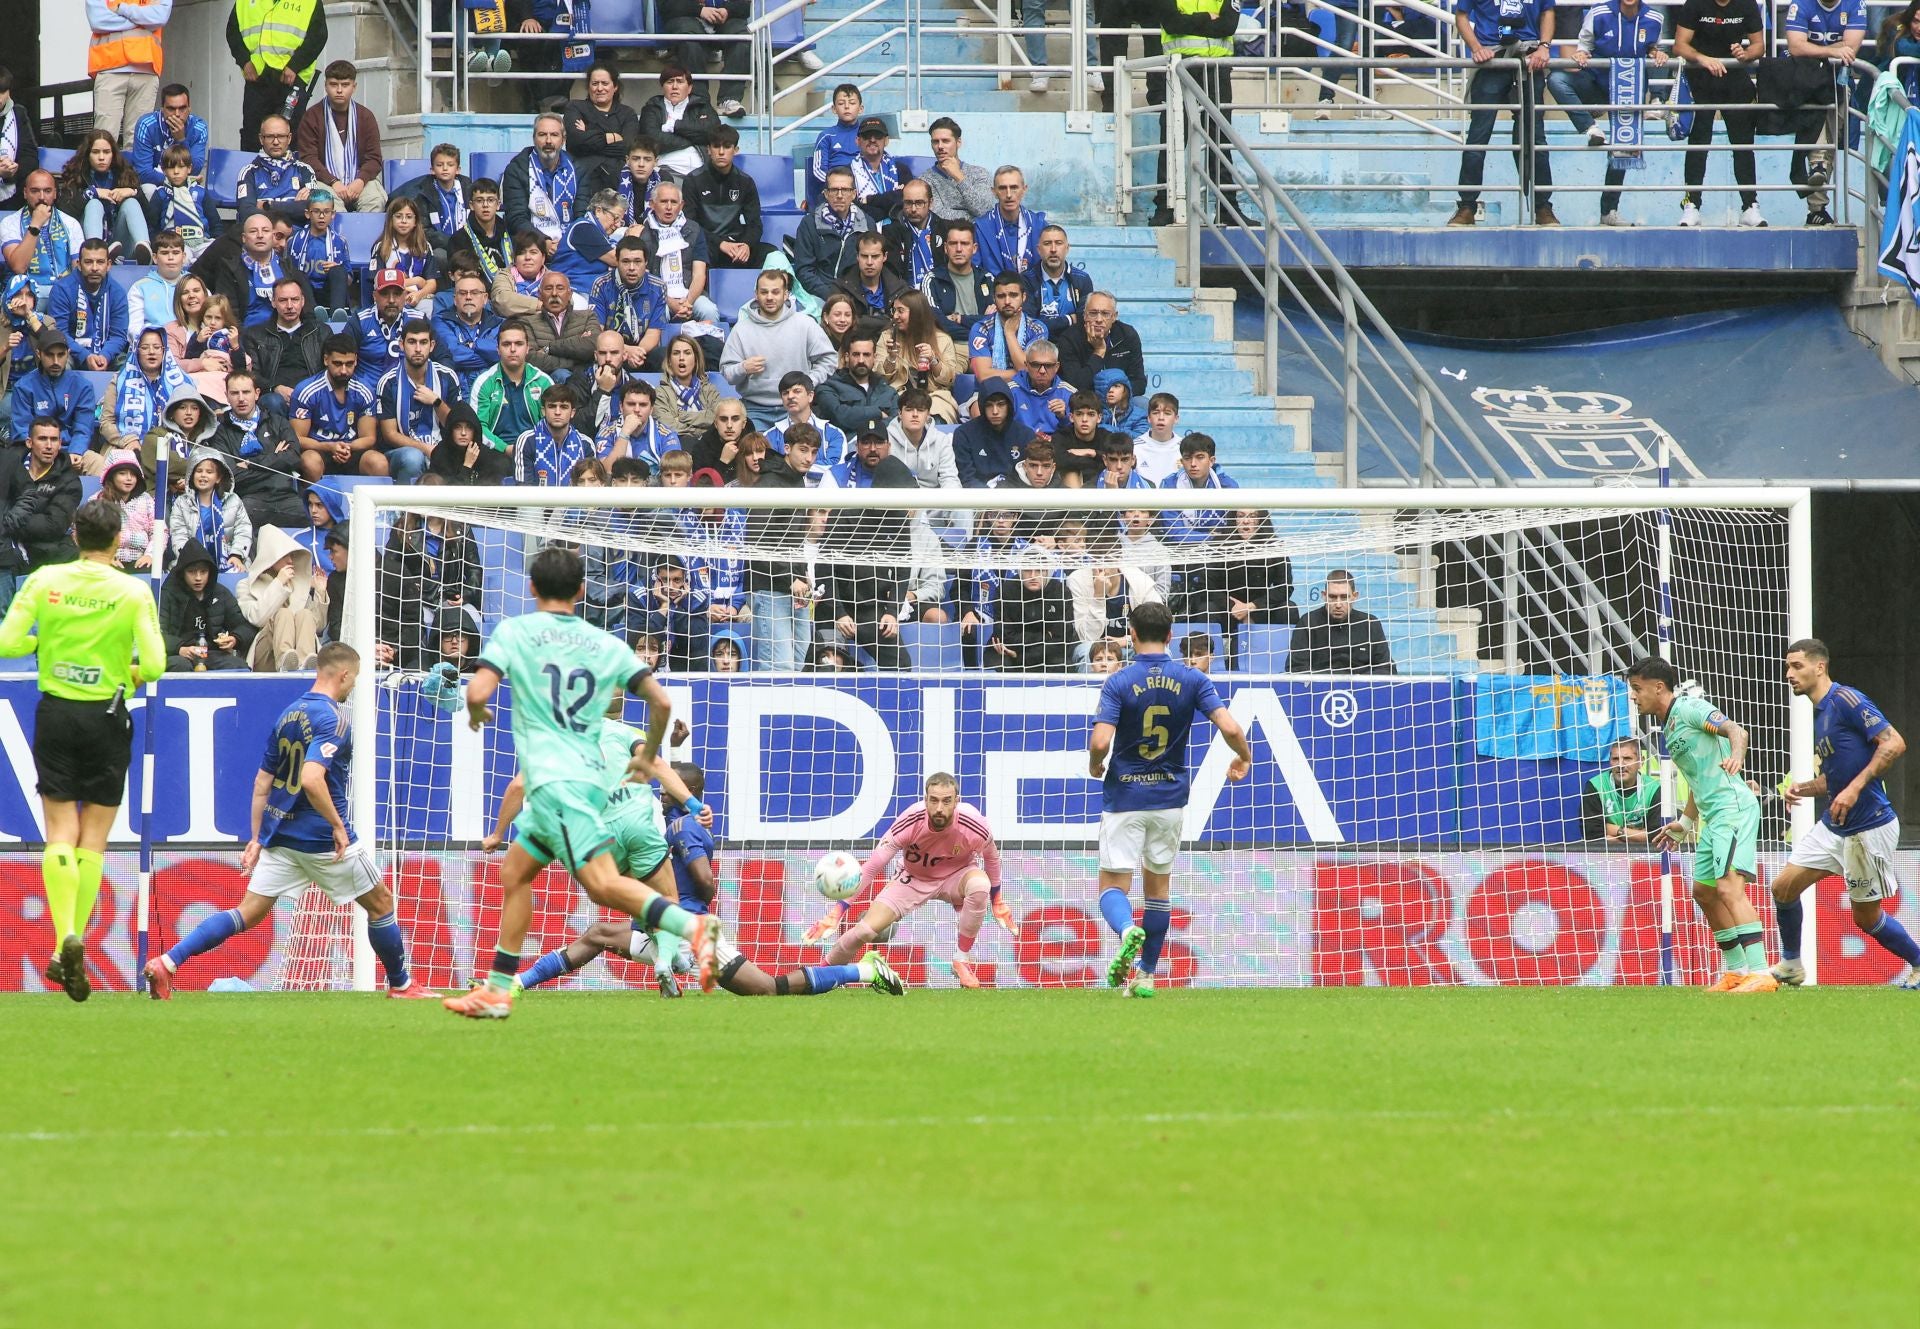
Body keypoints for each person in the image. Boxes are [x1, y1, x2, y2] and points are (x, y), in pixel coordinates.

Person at [444, 546, 723, 1019]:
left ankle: (696, 931)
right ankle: (496, 991)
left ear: (531, 589)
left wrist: (475, 709)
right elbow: (659, 703)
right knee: (516, 873)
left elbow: (477, 690)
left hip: (560, 782)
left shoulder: (514, 631)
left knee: (602, 885)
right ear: (582, 590)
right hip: (583, 780)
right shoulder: (606, 644)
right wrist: (650, 754)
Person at [144, 642, 438, 997]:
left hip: (281, 837)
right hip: (321, 840)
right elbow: (313, 778)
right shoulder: (334, 718)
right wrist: (337, 825)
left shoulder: (287, 714)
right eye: (355, 678)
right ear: (344, 674)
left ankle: (168, 962)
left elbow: (261, 783)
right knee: (381, 903)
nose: (354, 686)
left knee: (247, 913)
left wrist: (256, 839)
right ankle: (402, 985)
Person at [0, 497, 164, 999]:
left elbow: (7, 642)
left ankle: (62, 937)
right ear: (118, 540)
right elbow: (155, 666)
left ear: (75, 536)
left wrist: (40, 644)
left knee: (59, 833)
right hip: (107, 716)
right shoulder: (132, 591)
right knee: (93, 840)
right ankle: (67, 946)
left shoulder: (46, 581)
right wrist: (128, 671)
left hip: (56, 713)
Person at [1090, 601, 1253, 998]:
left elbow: (1100, 741)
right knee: (1158, 890)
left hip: (1126, 795)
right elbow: (1229, 726)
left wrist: (1096, 764)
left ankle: (1129, 930)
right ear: (1170, 636)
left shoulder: (1119, 681)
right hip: (1170, 799)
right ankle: (1146, 975)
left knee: (1113, 886)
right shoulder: (1194, 679)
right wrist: (1244, 756)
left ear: (1130, 634)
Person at [1767, 640, 1920, 989]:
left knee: (1865, 919)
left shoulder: (1847, 700)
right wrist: (1802, 788)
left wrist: (1854, 789)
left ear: (1819, 667)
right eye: (1788, 667)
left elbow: (1894, 743)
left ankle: (1919, 962)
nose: (1789, 674)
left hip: (1869, 827)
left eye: (1797, 666)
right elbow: (1836, 777)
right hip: (1835, 826)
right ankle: (1792, 964)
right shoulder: (1821, 714)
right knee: (1783, 888)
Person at [1626, 656, 1776, 992]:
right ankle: (1736, 972)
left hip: (1733, 810)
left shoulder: (1690, 708)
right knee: (1704, 893)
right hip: (1712, 818)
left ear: (1658, 687)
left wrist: (1737, 755)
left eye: (1637, 689)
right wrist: (1685, 822)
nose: (1634, 696)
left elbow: (1736, 730)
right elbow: (1696, 778)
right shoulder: (1669, 726)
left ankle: (1762, 973)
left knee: (1728, 889)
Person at [803, 774, 1011, 989]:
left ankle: (961, 959)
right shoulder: (911, 819)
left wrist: (997, 900)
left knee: (980, 885)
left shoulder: (974, 823)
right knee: (864, 931)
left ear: (957, 801)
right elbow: (873, 866)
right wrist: (836, 913)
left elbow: (991, 858)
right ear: (926, 798)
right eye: (934, 800)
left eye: (946, 801)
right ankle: (820, 976)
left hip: (957, 876)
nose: (939, 808)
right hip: (913, 879)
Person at [1545, 0, 1667, 225]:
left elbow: (1653, 48)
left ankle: (1608, 211)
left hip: (1629, 88)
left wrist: (1655, 54)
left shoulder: (1655, 18)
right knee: (1556, 79)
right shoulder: (1599, 12)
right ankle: (1589, 127)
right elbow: (1584, 47)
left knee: (1623, 146)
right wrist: (1581, 55)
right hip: (1596, 83)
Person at [1445, 0, 1558, 227]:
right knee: (1478, 135)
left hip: (1529, 59)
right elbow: (1461, 16)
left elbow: (1548, 10)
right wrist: (1476, 47)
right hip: (1492, 60)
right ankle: (1466, 206)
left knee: (1535, 136)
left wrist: (1544, 46)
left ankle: (1543, 207)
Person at [1672, 0, 1765, 228]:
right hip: (1701, 78)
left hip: (1734, 77)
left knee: (1743, 144)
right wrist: (1703, 58)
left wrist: (1745, 54)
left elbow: (1759, 46)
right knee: (1699, 142)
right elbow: (1680, 45)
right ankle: (1691, 205)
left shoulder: (1746, 4)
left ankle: (1750, 206)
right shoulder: (1695, 3)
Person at [1782, 0, 1865, 228]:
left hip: (1839, 81)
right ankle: (1818, 171)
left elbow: (1850, 49)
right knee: (1816, 128)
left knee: (1832, 136)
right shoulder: (1801, 3)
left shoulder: (1855, 4)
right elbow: (1796, 47)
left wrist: (1813, 49)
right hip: (1804, 80)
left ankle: (1817, 207)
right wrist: (1830, 50)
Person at [719, 269, 837, 429]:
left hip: (797, 408)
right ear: (756, 295)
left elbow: (829, 360)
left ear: (786, 294)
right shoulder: (741, 329)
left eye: (775, 292)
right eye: (764, 292)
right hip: (755, 410)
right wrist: (743, 368)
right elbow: (727, 373)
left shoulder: (805, 324)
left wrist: (809, 381)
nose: (769, 297)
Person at [742, 424, 817, 671]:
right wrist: (789, 577)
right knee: (779, 667)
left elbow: (793, 538)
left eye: (814, 452)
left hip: (793, 588)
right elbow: (756, 541)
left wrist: (802, 577)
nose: (809, 458)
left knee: (800, 664)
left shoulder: (797, 482)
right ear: (787, 448)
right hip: (768, 587)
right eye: (803, 450)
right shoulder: (768, 484)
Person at [0, 416, 84, 612]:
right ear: (29, 442)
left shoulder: (69, 481)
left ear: (61, 443)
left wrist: (7, 523)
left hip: (46, 553)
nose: (49, 446)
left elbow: (53, 526)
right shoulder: (9, 466)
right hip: (7, 549)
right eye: (42, 439)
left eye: (54, 440)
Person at [213, 368, 307, 527]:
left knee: (312, 519)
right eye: (235, 393)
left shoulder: (277, 422)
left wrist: (250, 463)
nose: (241, 399)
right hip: (250, 499)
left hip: (286, 496)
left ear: (257, 394)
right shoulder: (220, 432)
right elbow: (231, 476)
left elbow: (293, 458)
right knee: (238, 523)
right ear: (227, 396)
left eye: (246, 392)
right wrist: (276, 459)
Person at [228, 0, 326, 152]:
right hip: (258, 78)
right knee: (252, 133)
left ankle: (292, 174)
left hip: (291, 79)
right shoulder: (244, 2)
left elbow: (318, 36)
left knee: (291, 132)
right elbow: (232, 32)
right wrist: (244, 61)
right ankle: (250, 174)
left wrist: (295, 66)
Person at [293, 61, 385, 214]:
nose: (339, 90)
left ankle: (365, 238)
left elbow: (374, 158)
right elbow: (308, 158)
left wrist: (360, 181)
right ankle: (340, 238)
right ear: (326, 86)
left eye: (345, 84)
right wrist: (333, 181)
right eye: (334, 84)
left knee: (375, 199)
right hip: (325, 181)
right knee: (328, 204)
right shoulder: (312, 116)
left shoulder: (365, 116)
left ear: (354, 87)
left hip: (359, 180)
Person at [374, 318, 455, 482]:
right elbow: (389, 434)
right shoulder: (389, 382)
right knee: (413, 457)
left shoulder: (447, 377)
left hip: (441, 446)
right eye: (412, 342)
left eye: (423, 342)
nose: (418, 349)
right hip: (402, 452)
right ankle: (406, 507)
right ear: (401, 345)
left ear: (432, 346)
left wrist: (437, 402)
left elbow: (457, 425)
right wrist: (425, 449)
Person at [291, 333, 381, 478]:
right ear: (326, 360)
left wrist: (347, 447)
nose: (344, 371)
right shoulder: (306, 391)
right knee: (309, 461)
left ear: (356, 361)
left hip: (352, 450)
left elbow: (369, 437)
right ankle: (313, 500)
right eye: (338, 364)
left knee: (378, 462)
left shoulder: (365, 391)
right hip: (319, 449)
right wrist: (327, 447)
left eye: (349, 364)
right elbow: (297, 438)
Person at [58, 131, 152, 264]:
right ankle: (97, 253)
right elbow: (63, 215)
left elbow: (151, 217)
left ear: (113, 154)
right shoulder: (77, 176)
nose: (101, 157)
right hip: (86, 245)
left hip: (121, 246)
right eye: (95, 152)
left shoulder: (124, 174)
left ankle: (144, 251)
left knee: (131, 202)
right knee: (94, 204)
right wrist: (90, 194)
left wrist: (133, 192)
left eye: (106, 152)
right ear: (87, 154)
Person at [684, 124, 767, 269]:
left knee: (772, 254)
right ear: (709, 149)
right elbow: (690, 224)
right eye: (716, 146)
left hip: (736, 245)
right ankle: (703, 292)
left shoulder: (745, 182)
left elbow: (755, 224)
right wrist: (720, 243)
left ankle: (776, 291)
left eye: (727, 147)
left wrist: (746, 244)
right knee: (696, 255)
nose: (721, 152)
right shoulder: (693, 180)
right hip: (706, 245)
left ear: (736, 150)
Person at [1285, 569, 1395, 674]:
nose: (1338, 604)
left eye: (1344, 597)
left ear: (1354, 596)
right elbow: (1296, 667)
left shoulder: (1370, 624)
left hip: (1361, 690)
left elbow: (1387, 668)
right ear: (1324, 596)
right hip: (1320, 690)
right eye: (1332, 597)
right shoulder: (1307, 622)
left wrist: (1358, 682)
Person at [1, 170, 84, 306]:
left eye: (47, 191)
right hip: (25, 294)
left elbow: (78, 268)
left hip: (63, 292)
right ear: (25, 193)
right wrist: (35, 225)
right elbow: (18, 267)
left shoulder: (71, 223)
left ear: (55, 193)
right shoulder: (10, 222)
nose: (41, 197)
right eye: (35, 191)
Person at [658, 0, 752, 117]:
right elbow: (666, 6)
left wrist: (727, 10)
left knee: (741, 39)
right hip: (687, 17)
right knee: (689, 42)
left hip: (725, 20)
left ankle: (729, 100)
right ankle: (699, 101)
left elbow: (745, 5)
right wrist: (700, 10)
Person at [793, 166, 874, 301]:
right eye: (834, 190)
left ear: (854, 194)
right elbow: (804, 270)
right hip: (818, 295)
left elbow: (871, 267)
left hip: (855, 296)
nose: (840, 195)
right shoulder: (809, 223)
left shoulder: (867, 224)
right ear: (826, 193)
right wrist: (832, 296)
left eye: (845, 190)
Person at [10, 332, 98, 454]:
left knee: (96, 462)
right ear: (38, 354)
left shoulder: (83, 386)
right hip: (35, 453)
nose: (55, 361)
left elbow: (83, 429)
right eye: (49, 355)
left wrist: (76, 452)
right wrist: (42, 452)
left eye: (61, 355)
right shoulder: (23, 387)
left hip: (71, 451)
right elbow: (22, 431)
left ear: (68, 353)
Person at [49, 238, 129, 373]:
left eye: (100, 262)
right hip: (72, 352)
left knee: (131, 365)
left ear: (109, 265)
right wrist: (85, 356)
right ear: (79, 264)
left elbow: (118, 335)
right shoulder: (62, 289)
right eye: (88, 262)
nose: (95, 268)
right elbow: (59, 332)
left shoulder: (117, 292)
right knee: (60, 363)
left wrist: (105, 356)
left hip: (106, 353)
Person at [472, 319, 551, 452]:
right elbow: (478, 427)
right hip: (495, 451)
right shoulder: (484, 382)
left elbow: (553, 422)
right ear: (498, 349)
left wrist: (534, 448)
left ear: (527, 348)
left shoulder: (543, 381)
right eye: (506, 344)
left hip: (537, 449)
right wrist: (504, 448)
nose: (513, 349)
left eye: (519, 344)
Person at [563, 63, 642, 196]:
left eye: (605, 83)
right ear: (588, 87)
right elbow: (575, 142)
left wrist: (589, 133)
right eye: (595, 83)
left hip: (617, 178)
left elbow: (628, 147)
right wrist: (612, 137)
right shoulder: (575, 107)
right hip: (583, 175)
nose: (599, 88)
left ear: (615, 86)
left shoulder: (627, 113)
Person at [501, 113, 579, 245]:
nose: (548, 141)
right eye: (542, 135)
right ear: (534, 139)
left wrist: (567, 243)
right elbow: (516, 218)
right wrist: (544, 243)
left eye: (554, 135)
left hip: (571, 243)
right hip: (531, 243)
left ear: (563, 140)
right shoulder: (516, 169)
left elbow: (582, 214)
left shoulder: (577, 168)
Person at [1056, 291, 1147, 403]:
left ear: (1114, 316)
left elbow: (1140, 382)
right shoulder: (1069, 339)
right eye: (1093, 313)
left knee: (1142, 403)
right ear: (1084, 315)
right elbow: (1076, 385)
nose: (1099, 319)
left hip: (1120, 399)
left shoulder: (1127, 335)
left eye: (1105, 314)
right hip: (1086, 401)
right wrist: (1098, 352)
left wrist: (1120, 393)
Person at [636, 66, 721, 179]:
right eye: (670, 82)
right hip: (665, 170)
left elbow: (713, 133)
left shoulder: (702, 106)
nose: (675, 87)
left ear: (689, 88)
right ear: (663, 87)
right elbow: (651, 139)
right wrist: (693, 139)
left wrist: (674, 127)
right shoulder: (652, 107)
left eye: (680, 82)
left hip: (701, 171)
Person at [815, 332, 898, 439]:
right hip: (845, 450)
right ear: (846, 357)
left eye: (866, 355)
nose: (861, 360)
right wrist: (877, 413)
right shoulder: (829, 388)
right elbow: (840, 417)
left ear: (875, 358)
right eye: (856, 354)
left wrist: (857, 418)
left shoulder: (887, 391)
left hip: (882, 447)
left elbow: (897, 423)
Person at [431, 271, 502, 393]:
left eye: (475, 293)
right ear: (455, 299)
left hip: (493, 391)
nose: (468, 297)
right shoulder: (441, 321)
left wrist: (474, 345)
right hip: (453, 392)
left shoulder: (500, 324)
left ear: (485, 298)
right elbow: (452, 355)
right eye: (462, 293)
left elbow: (504, 354)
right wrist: (489, 358)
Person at [968, 271, 1048, 380]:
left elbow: (1028, 370)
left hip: (1028, 394)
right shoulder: (981, 329)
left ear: (1023, 297)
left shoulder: (1038, 329)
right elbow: (984, 376)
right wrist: (1025, 374)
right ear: (994, 298)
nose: (1007, 301)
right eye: (1001, 296)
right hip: (991, 394)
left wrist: (1009, 334)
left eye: (1013, 295)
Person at [917, 117, 995, 225]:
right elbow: (938, 216)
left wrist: (959, 177)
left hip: (978, 236)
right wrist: (973, 218)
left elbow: (984, 211)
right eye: (935, 142)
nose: (940, 146)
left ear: (958, 142)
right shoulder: (924, 180)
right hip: (944, 236)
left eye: (945, 141)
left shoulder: (980, 173)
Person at [130, 84, 208, 191]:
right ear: (162, 109)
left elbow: (195, 169)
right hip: (153, 184)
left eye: (182, 108)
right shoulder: (146, 124)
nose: (177, 114)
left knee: (198, 192)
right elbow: (143, 172)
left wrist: (181, 140)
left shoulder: (199, 127)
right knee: (148, 189)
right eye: (171, 109)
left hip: (184, 186)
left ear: (189, 109)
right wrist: (178, 180)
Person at [1582, 737, 1662, 842]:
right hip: (1605, 855)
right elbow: (1592, 835)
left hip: (1645, 856)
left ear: (1641, 761)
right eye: (1615, 759)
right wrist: (1639, 837)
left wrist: (1616, 830)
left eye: (1627, 758)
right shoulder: (1595, 786)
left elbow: (1655, 837)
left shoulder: (1653, 789)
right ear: (1610, 761)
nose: (1620, 765)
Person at [526, 270, 603, 379]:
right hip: (546, 385)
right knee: (561, 374)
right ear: (539, 295)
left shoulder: (587, 316)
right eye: (548, 288)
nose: (554, 293)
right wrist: (578, 356)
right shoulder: (527, 322)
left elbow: (593, 346)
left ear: (570, 294)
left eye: (560, 288)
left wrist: (549, 348)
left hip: (585, 381)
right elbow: (532, 360)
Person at [974, 167, 1045, 279]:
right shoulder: (981, 228)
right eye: (1002, 188)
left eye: (1014, 188)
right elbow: (975, 272)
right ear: (994, 192)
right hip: (994, 293)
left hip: (1032, 293)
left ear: (1024, 190)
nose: (1008, 194)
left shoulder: (1039, 226)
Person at [235, 115, 315, 207]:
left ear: (289, 138)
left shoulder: (304, 170)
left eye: (281, 136)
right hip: (262, 222)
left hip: (294, 222)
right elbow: (246, 211)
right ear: (261, 139)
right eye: (270, 136)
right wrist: (295, 206)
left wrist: (268, 206)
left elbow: (313, 211)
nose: (276, 142)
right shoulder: (249, 172)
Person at [149, 149, 211, 261]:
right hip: (174, 244)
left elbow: (215, 222)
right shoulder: (161, 193)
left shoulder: (200, 192)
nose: (176, 172)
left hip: (202, 241)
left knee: (215, 256)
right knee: (180, 258)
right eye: (171, 167)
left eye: (181, 167)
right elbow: (152, 226)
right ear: (163, 170)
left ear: (189, 168)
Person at [0, 67, 43, 215]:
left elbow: (30, 156)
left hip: (14, 196)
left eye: (3, 92)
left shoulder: (19, 114)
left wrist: (14, 171)